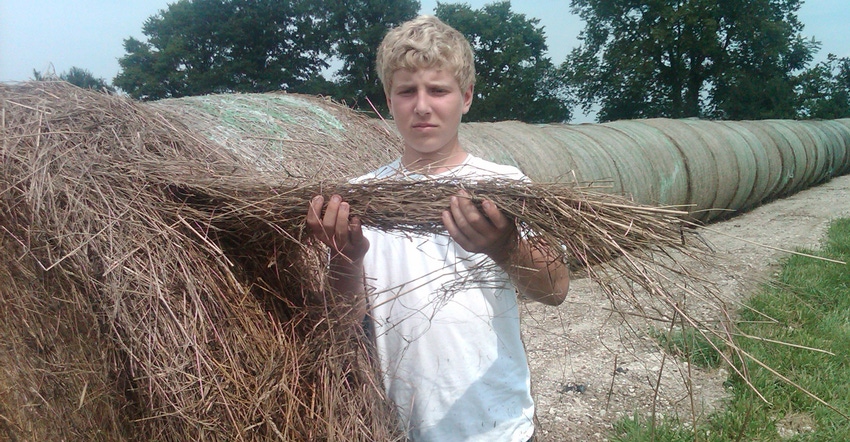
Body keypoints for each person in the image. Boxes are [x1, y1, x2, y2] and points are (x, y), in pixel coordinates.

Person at [306, 15, 570, 442]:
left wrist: (505, 248)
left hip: (497, 427)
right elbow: (343, 322)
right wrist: (343, 260)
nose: (422, 106)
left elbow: (555, 290)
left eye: (439, 90)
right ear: (388, 101)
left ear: (465, 97)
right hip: (398, 429)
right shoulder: (359, 199)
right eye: (407, 91)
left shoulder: (506, 187)